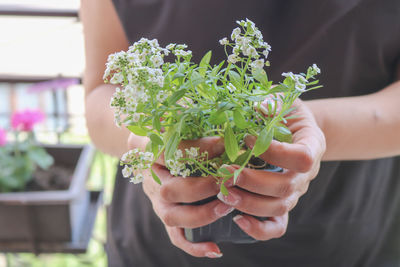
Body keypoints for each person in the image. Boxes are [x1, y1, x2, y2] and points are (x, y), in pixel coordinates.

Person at [81, 0, 400, 266]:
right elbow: (101, 93)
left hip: (345, 240)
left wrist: (294, 129)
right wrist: (154, 140)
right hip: (155, 248)